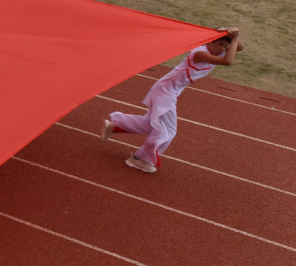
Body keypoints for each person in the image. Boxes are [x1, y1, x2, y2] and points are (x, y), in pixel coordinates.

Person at [101, 28, 243, 174]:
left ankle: (116, 126)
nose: (223, 49)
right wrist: (234, 36)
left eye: (226, 46)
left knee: (151, 124)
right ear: (209, 42)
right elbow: (227, 61)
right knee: (168, 130)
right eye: (220, 44)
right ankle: (140, 158)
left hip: (168, 91)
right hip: (164, 92)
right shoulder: (200, 53)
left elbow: (239, 48)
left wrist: (233, 35)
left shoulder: (215, 53)